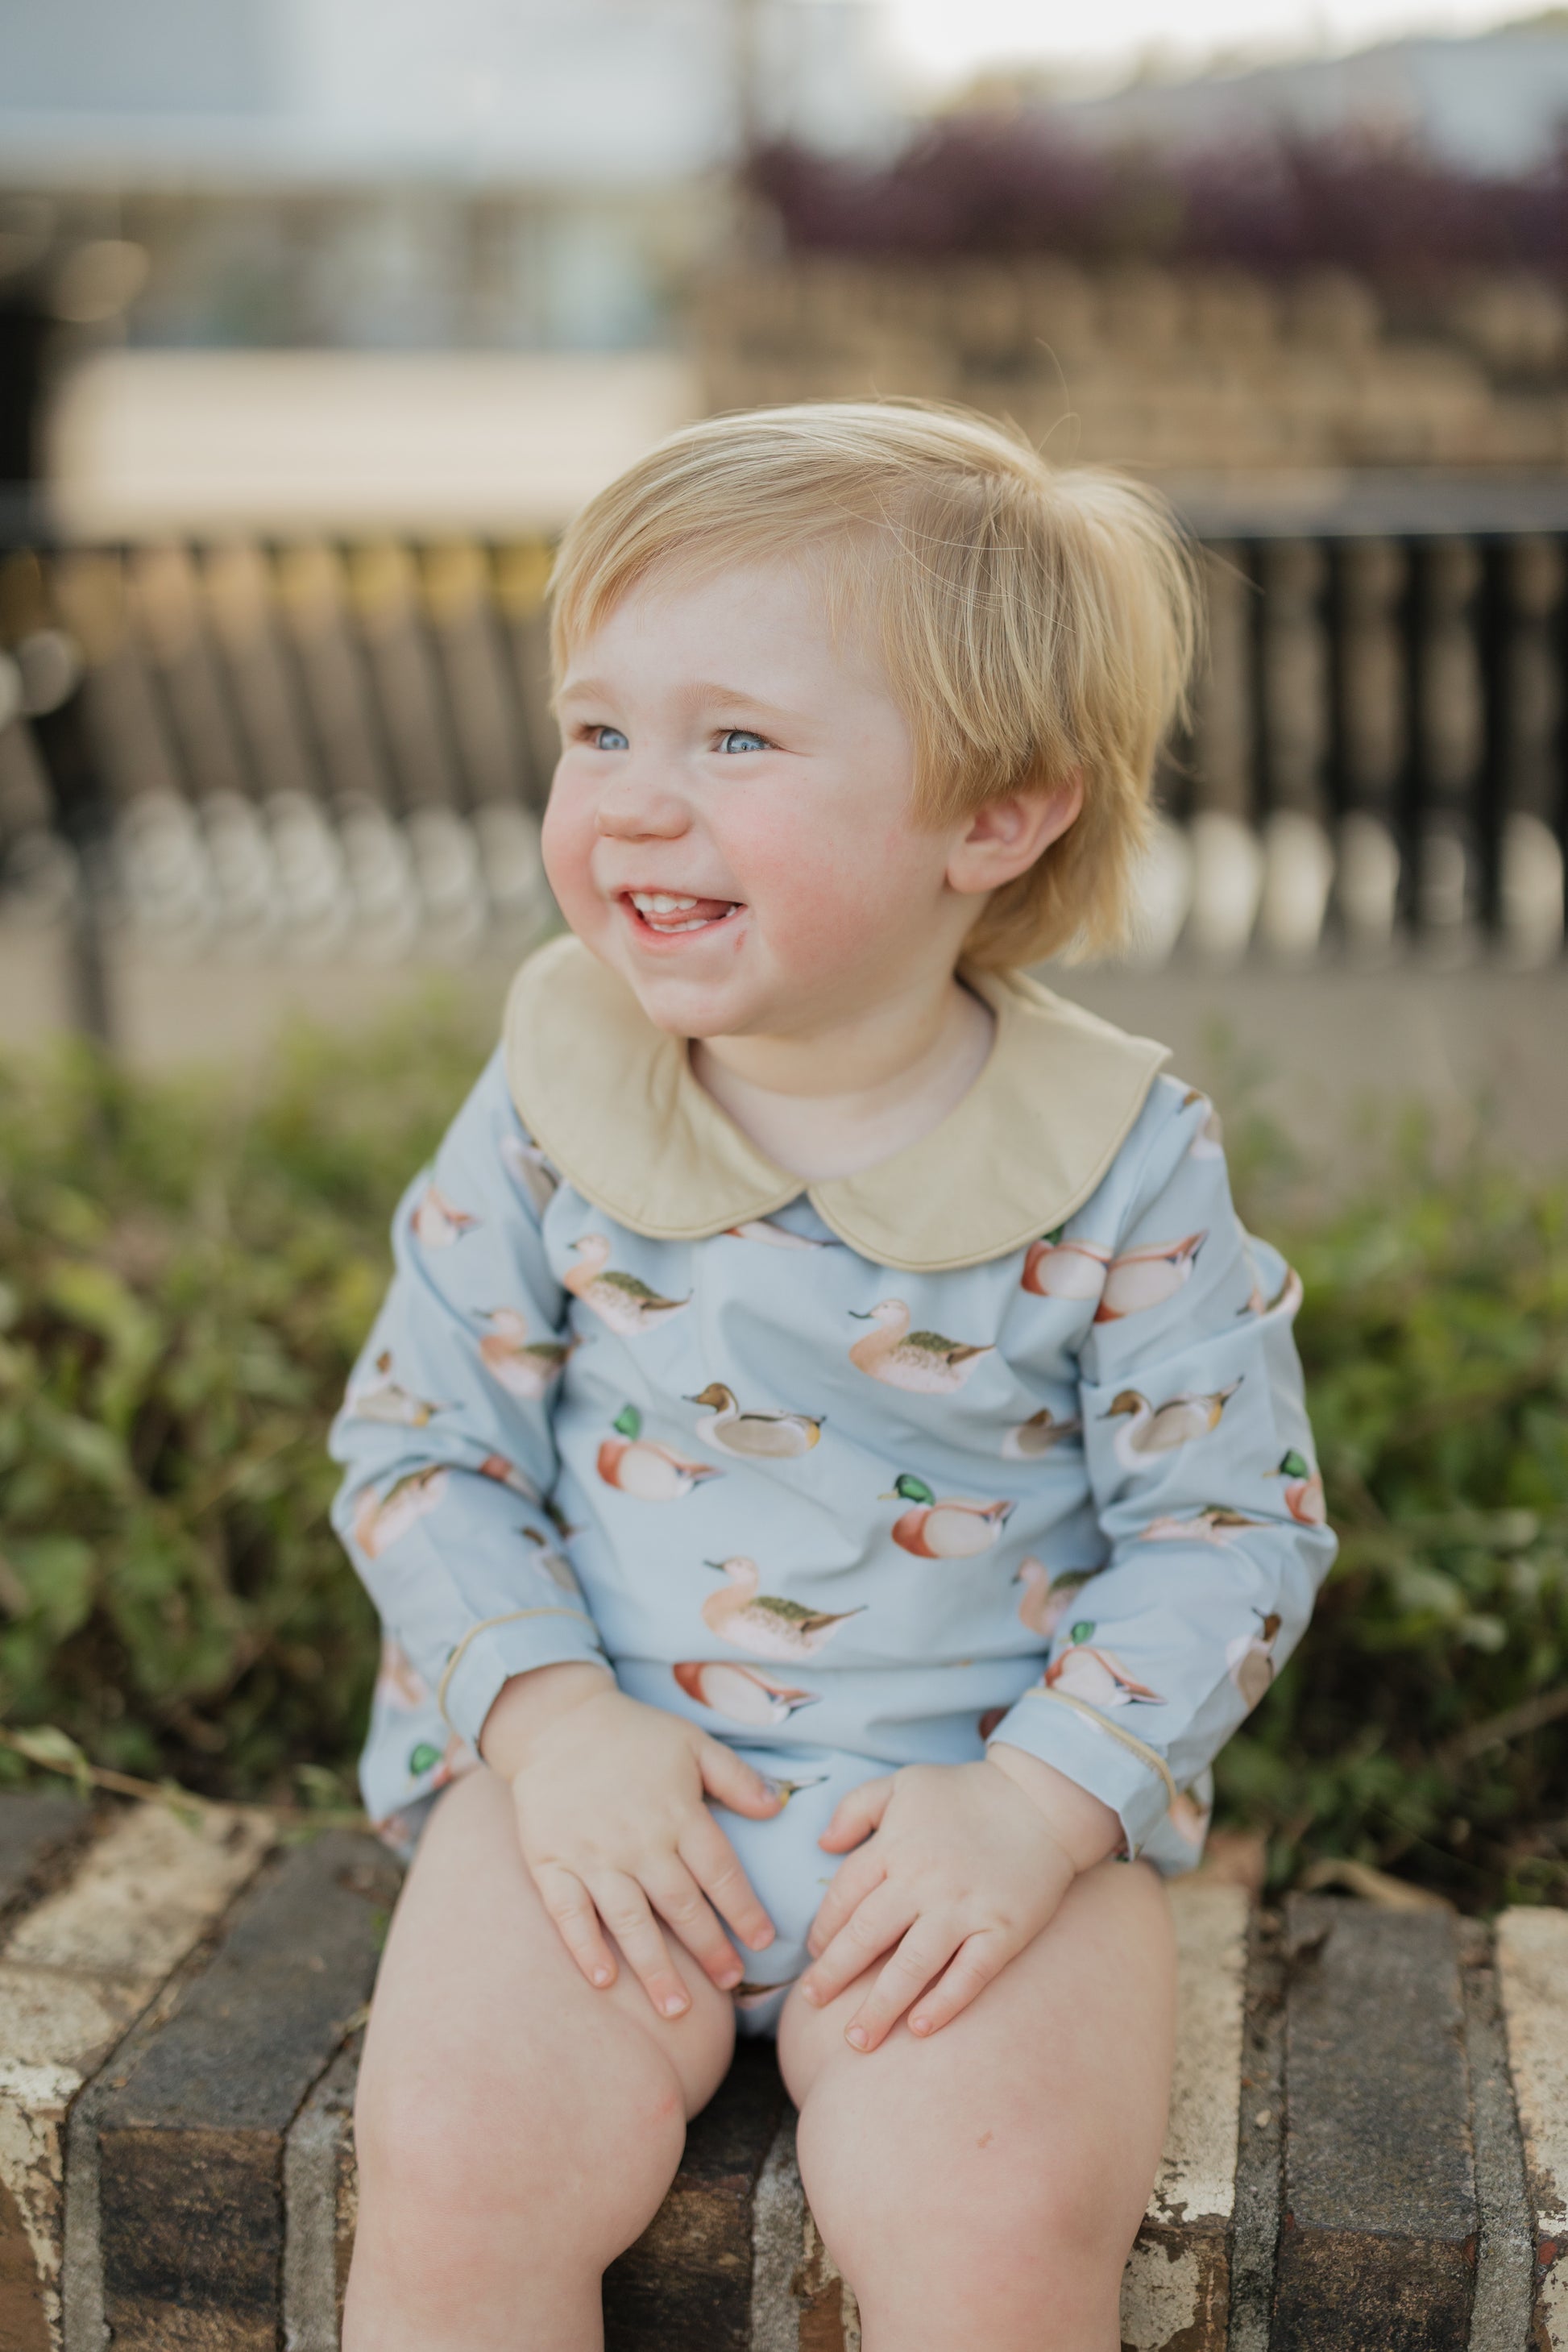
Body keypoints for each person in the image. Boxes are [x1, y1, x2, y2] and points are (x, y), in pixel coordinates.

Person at [330, 400, 1335, 2352]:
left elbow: (1227, 1528)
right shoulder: (554, 1091)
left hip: (970, 1837)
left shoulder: (1114, 1158)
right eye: (598, 729)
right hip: (599, 1810)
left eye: (734, 739)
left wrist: (1035, 1806)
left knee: (993, 2222)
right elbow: (421, 1446)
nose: (633, 800)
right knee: (455, 2166)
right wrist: (550, 1724)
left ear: (995, 815)